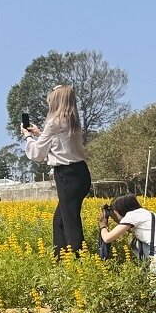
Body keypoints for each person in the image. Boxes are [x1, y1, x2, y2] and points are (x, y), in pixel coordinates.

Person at [22, 85, 91, 258]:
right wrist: (39, 133)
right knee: (60, 220)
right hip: (81, 173)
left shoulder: (54, 122)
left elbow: (37, 154)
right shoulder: (72, 120)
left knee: (70, 223)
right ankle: (61, 259)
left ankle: (77, 260)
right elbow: (60, 144)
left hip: (66, 175)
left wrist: (28, 136)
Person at [99, 194, 156, 275]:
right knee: (135, 243)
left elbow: (107, 238)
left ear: (119, 210)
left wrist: (103, 225)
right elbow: (128, 231)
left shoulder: (132, 215)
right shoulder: (145, 213)